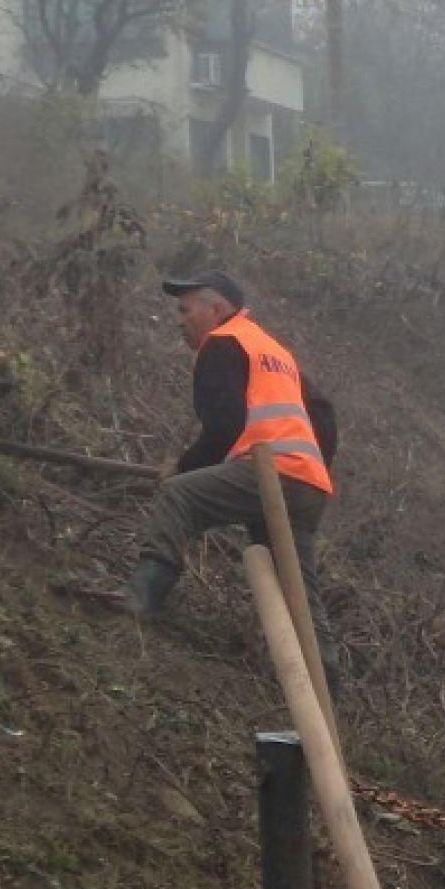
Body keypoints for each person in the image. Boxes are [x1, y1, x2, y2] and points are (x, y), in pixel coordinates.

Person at [117, 272, 339, 661]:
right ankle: (326, 682)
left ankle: (143, 596)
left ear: (215, 309)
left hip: (270, 471)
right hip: (310, 484)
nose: (178, 320)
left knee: (178, 495)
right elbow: (324, 414)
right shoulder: (275, 352)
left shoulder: (222, 342)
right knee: (297, 589)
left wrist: (184, 467)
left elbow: (225, 427)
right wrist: (308, 469)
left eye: (185, 310)